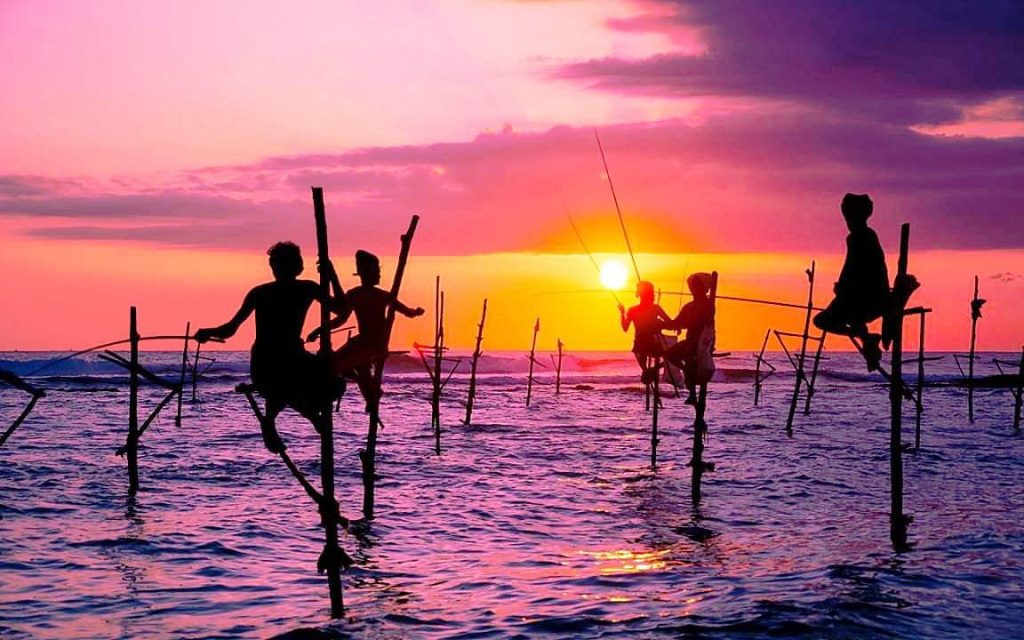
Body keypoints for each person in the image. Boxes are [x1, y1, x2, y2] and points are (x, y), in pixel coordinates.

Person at [194, 241, 347, 452]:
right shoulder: (294, 289)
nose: (280, 271)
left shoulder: (280, 291)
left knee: (326, 381)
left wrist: (208, 332)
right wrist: (332, 276)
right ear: (297, 267)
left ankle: (287, 416)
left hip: (283, 360)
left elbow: (230, 329)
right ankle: (298, 415)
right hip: (272, 363)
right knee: (299, 381)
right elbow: (342, 309)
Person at [308, 250, 424, 409]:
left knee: (347, 367)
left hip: (376, 345)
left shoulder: (381, 295)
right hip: (363, 342)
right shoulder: (357, 294)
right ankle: (369, 392)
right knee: (341, 366)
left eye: (379, 271)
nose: (379, 275)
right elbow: (340, 319)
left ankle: (370, 392)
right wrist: (320, 330)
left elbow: (406, 312)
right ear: (365, 273)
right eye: (376, 271)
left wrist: (415, 312)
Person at [813, 193, 891, 371]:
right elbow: (852, 267)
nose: (847, 222)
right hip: (861, 296)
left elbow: (855, 267)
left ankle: (863, 337)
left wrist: (842, 287)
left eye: (849, 217)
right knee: (835, 319)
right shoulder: (863, 236)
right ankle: (866, 339)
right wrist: (843, 286)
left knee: (823, 320)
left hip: (866, 298)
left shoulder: (862, 237)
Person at [662, 272, 715, 404]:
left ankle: (692, 394)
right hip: (690, 340)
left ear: (704, 289)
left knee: (689, 356)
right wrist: (661, 324)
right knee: (669, 354)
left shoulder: (708, 304)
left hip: (703, 341)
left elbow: (701, 322)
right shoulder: (689, 306)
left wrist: (681, 324)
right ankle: (686, 371)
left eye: (698, 287)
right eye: (693, 287)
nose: (695, 290)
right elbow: (676, 322)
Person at [619, 281, 671, 377]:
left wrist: (661, 324)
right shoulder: (639, 309)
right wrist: (622, 313)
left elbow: (668, 322)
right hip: (643, 343)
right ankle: (648, 371)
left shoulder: (653, 308)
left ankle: (648, 371)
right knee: (642, 349)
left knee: (666, 355)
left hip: (650, 343)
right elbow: (625, 328)